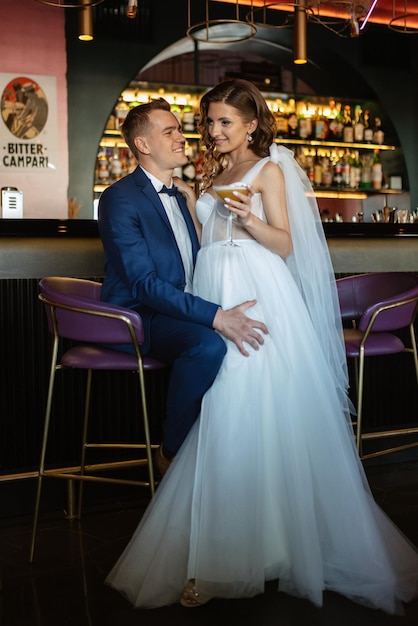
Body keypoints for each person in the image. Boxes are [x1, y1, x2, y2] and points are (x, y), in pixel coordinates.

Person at [105, 80, 418, 614]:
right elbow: (202, 245)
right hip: (211, 292)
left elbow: (286, 243)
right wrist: (194, 204)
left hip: (257, 293)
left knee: (255, 402)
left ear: (251, 125)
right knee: (222, 404)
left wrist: (247, 218)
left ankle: (258, 551)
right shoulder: (205, 177)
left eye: (224, 122)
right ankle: (222, 548)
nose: (211, 131)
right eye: (208, 122)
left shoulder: (268, 169)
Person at [98, 97, 267, 477]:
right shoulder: (119, 199)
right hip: (141, 316)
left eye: (179, 129)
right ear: (142, 145)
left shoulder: (184, 193)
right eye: (169, 131)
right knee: (208, 344)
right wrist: (216, 316)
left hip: (185, 306)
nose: (182, 138)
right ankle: (172, 453)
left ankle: (242, 468)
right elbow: (143, 284)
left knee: (258, 343)